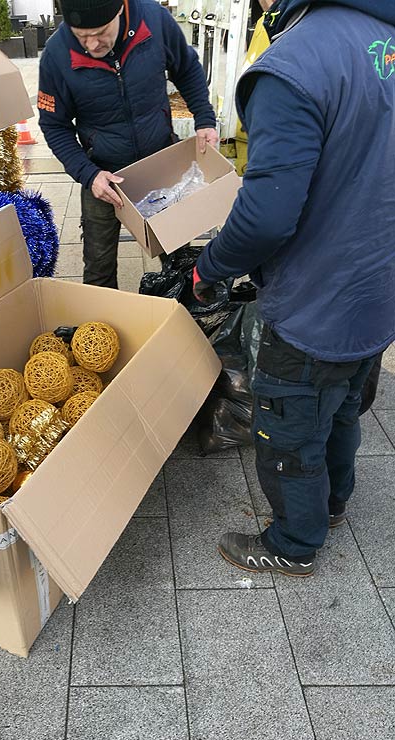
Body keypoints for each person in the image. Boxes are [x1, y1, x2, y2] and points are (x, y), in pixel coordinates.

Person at [192, 0, 395, 577]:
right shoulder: (384, 36)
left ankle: (293, 542)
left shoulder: (295, 64)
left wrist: (212, 267)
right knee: (345, 406)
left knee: (288, 427)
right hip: (377, 290)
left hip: (315, 300)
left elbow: (265, 218)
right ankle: (332, 504)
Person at [38, 0, 218, 288]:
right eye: (82, 36)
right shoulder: (56, 54)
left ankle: (185, 320)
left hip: (161, 163)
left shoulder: (154, 20)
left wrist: (204, 119)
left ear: (120, 9)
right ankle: (101, 328)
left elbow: (187, 69)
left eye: (100, 32)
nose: (93, 44)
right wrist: (89, 174)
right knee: (98, 266)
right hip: (103, 175)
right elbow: (53, 125)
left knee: (178, 255)